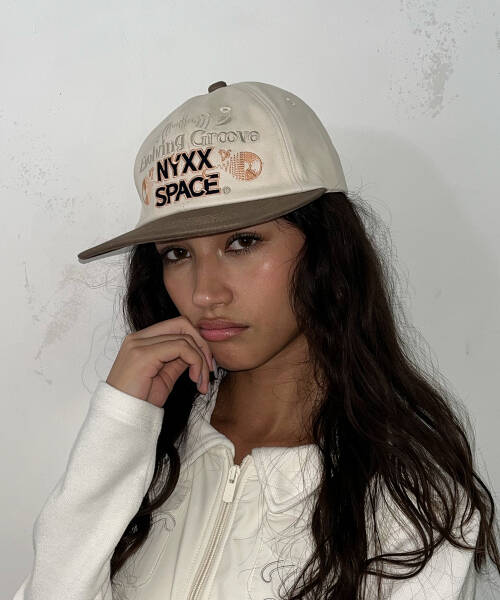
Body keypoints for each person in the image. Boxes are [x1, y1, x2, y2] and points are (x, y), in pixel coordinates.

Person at [13, 80, 499, 600]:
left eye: (242, 242)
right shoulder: (146, 445)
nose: (205, 293)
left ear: (328, 250)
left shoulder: (412, 503)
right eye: (177, 253)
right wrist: (119, 421)